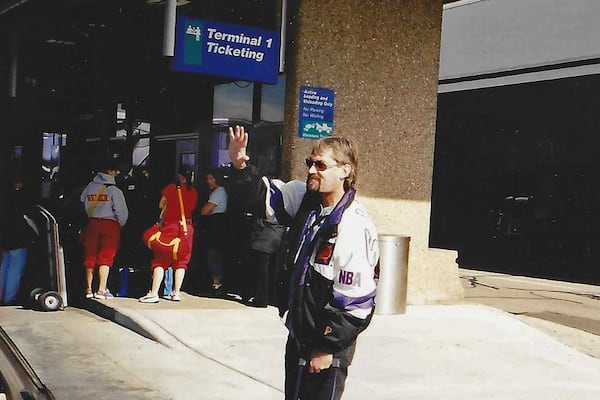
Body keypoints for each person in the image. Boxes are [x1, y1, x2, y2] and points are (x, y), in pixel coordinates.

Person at [227, 126, 379, 400]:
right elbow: (261, 198)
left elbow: (357, 303)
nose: (311, 170)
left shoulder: (353, 225)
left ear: (345, 170)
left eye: (321, 165)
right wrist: (240, 165)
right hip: (299, 334)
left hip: (326, 346)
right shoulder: (307, 201)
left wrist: (325, 348)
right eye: (310, 163)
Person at [139, 166, 198, 303]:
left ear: (179, 176)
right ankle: (176, 293)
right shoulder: (193, 192)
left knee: (160, 260)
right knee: (181, 262)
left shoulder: (171, 189)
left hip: (170, 227)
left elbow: (161, 205)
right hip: (186, 229)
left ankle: (154, 293)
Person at [80, 161, 129, 300]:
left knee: (90, 256)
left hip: (92, 223)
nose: (117, 174)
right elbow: (121, 211)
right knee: (106, 257)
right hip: (110, 224)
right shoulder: (114, 190)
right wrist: (121, 224)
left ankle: (89, 288)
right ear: (110, 172)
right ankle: (101, 289)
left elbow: (82, 200)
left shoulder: (89, 187)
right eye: (115, 171)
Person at [0, 177, 39, 305]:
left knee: (4, 267)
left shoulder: (4, 198)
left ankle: (2, 295)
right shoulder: (21, 199)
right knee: (15, 270)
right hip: (18, 239)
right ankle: (9, 297)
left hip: (5, 239)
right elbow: (28, 220)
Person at [199, 169, 228, 295]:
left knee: (214, 254)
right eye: (208, 179)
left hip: (217, 224)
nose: (209, 182)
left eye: (211, 179)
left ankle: (216, 283)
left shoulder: (219, 192)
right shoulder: (219, 192)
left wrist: (208, 209)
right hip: (218, 223)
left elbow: (205, 211)